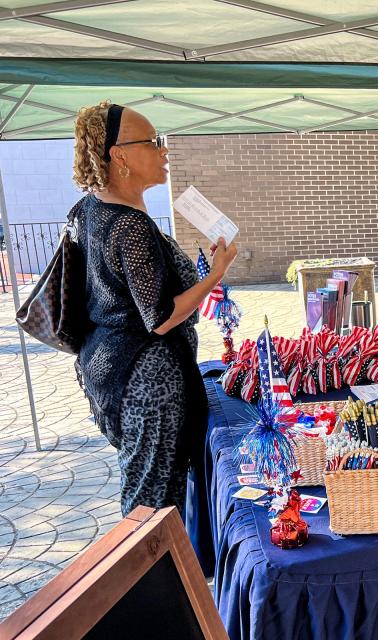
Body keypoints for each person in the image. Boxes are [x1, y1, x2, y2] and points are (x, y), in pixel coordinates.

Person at [72, 101, 238, 516]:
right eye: (153, 142)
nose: (164, 151)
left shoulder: (90, 209)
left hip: (113, 370)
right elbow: (161, 318)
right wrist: (215, 274)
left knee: (145, 493)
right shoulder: (128, 224)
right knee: (153, 508)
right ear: (120, 155)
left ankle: (160, 577)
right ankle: (151, 581)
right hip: (147, 381)